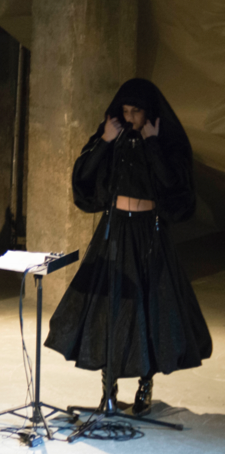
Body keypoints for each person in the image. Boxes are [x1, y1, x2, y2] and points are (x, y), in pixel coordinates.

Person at [45, 78, 212, 416]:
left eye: (136, 112)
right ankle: (108, 391)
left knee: (150, 309)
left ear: (149, 114)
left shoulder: (165, 144)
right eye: (126, 111)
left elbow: (173, 185)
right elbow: (84, 178)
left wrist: (152, 144)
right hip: (115, 230)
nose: (130, 117)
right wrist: (105, 141)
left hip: (150, 235)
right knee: (111, 310)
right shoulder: (112, 137)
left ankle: (145, 386)